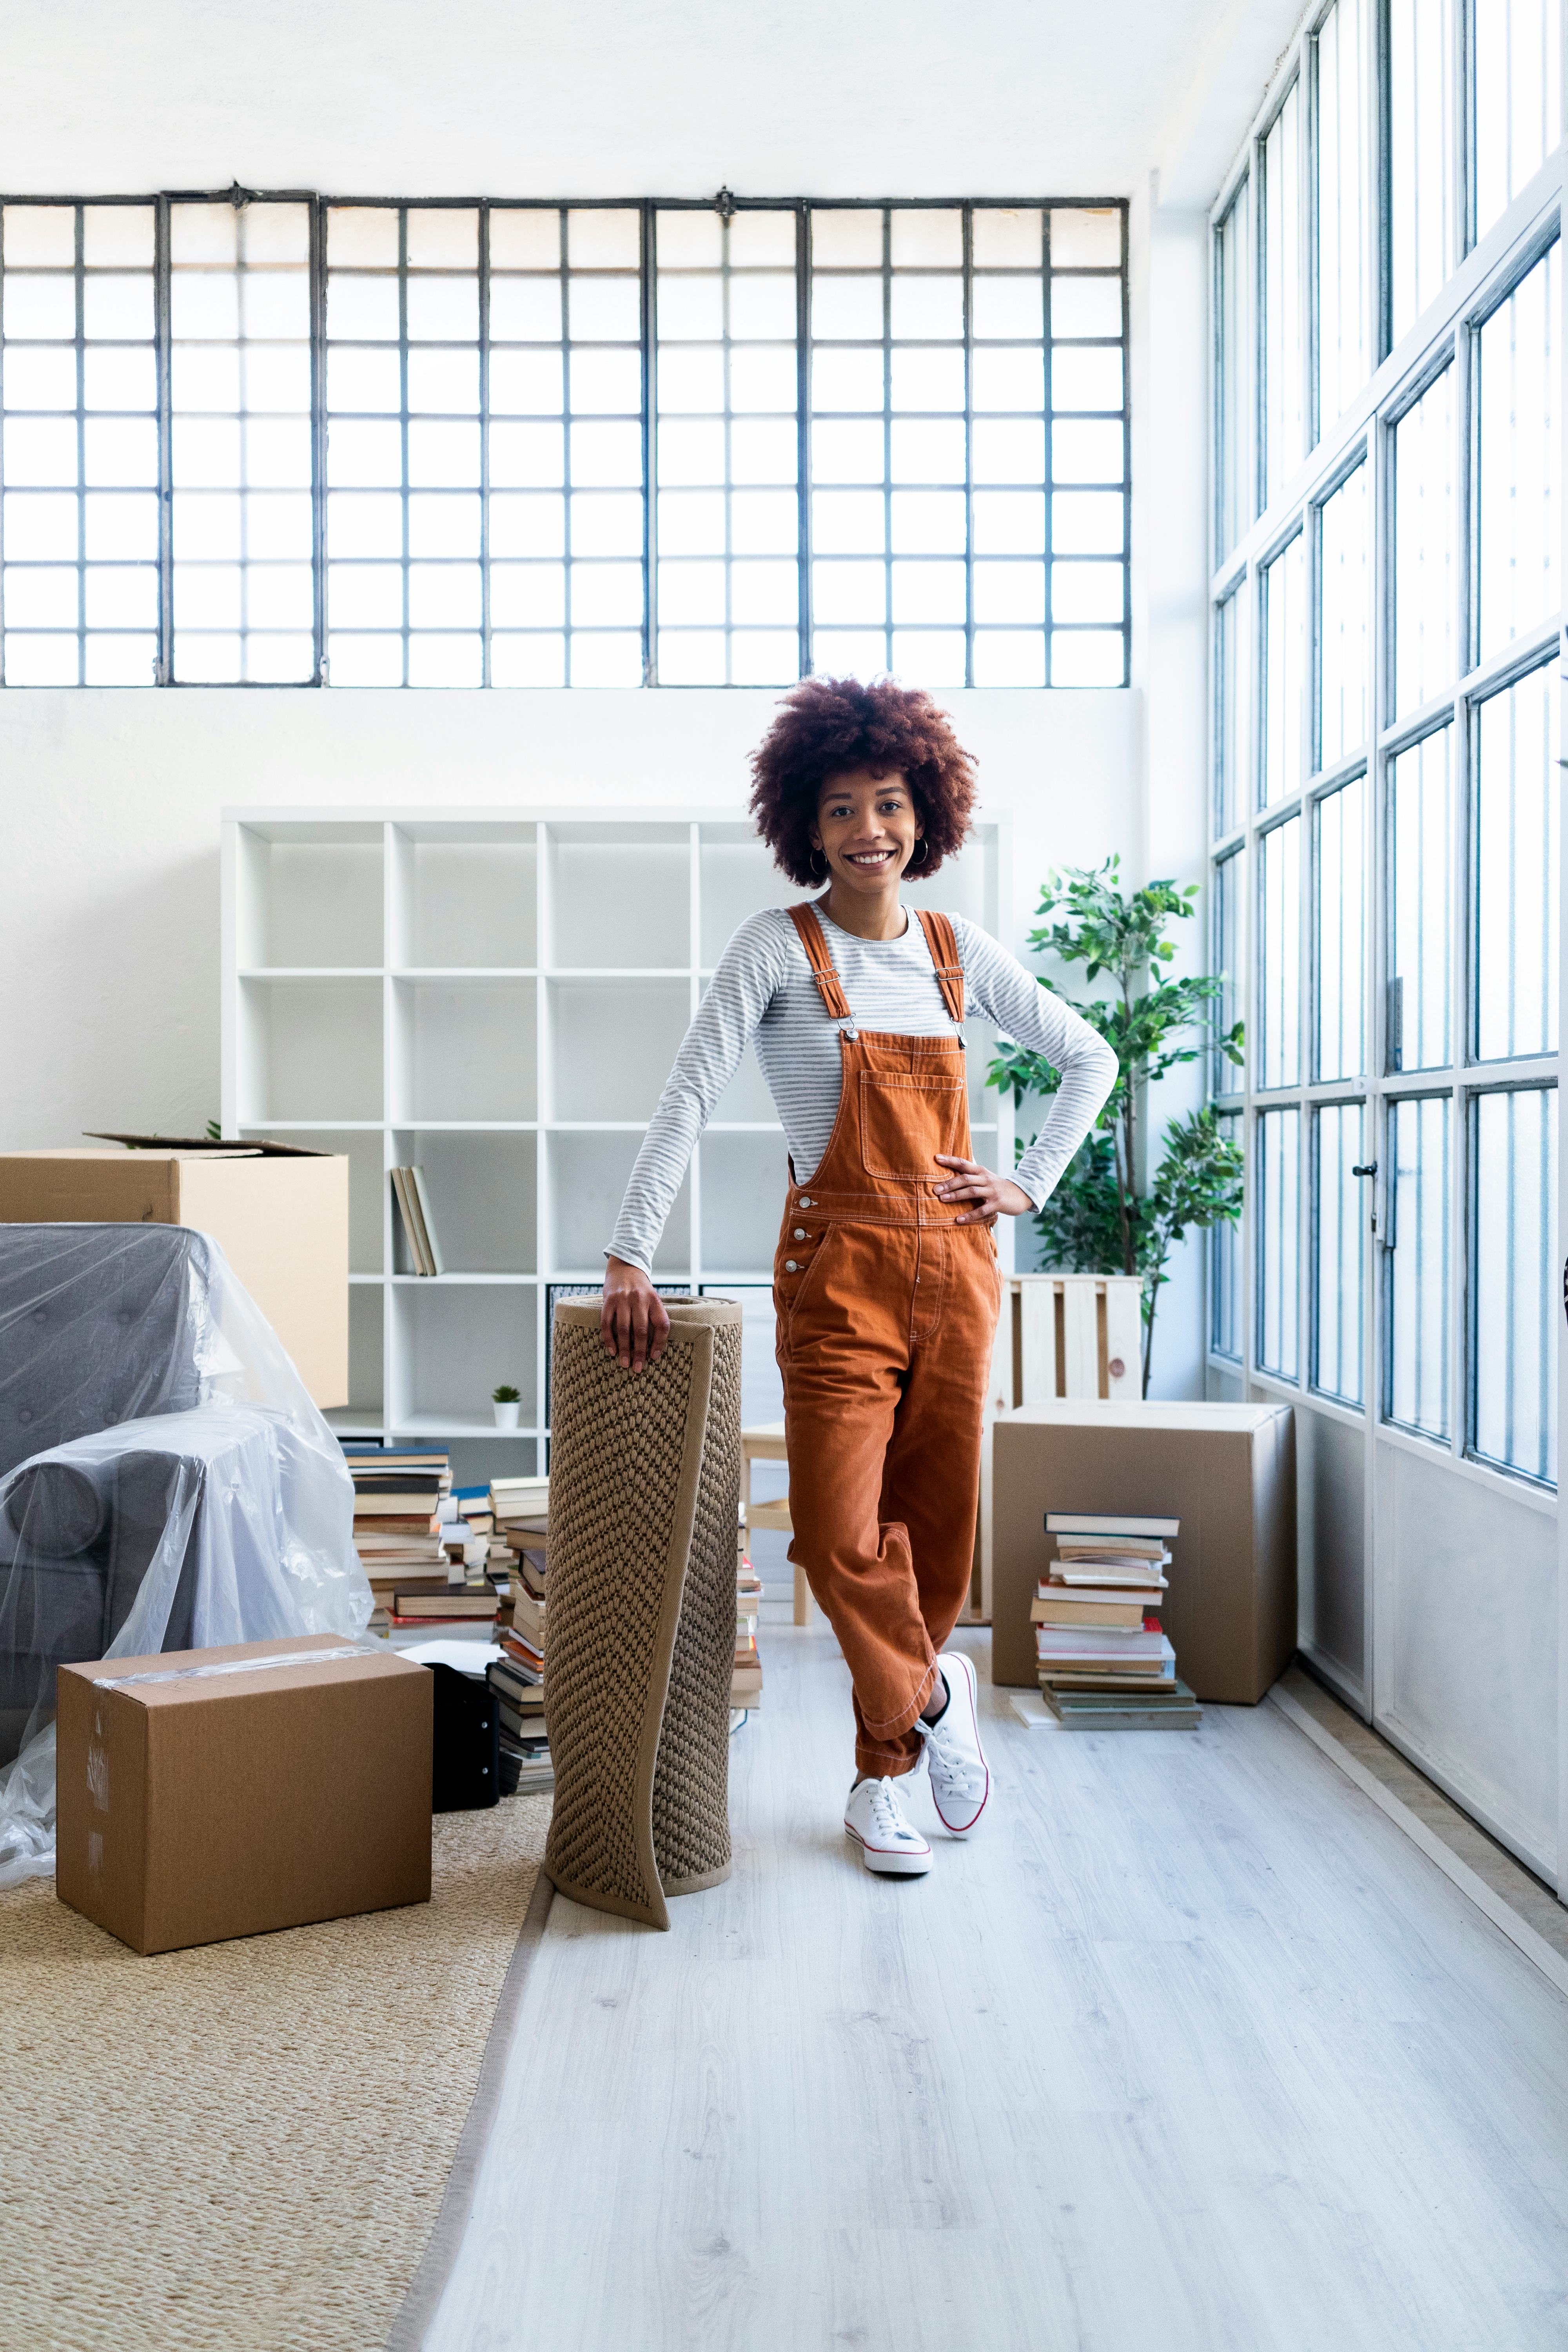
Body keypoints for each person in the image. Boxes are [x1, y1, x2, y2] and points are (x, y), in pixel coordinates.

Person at [601, 676, 1117, 1878]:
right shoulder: (774, 952)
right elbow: (688, 1095)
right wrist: (631, 1248)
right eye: (841, 810)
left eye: (888, 803)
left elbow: (1086, 1055)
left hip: (959, 1270)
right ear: (806, 826)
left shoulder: (955, 951)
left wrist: (1026, 1183)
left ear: (923, 811)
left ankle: (881, 1783)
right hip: (838, 1277)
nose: (869, 829)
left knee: (932, 1537)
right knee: (840, 1535)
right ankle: (938, 1698)